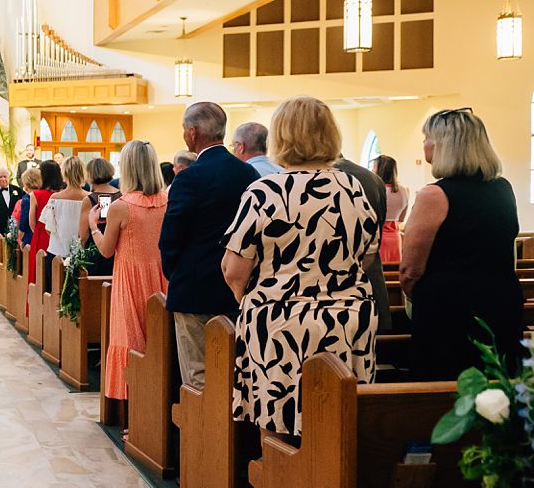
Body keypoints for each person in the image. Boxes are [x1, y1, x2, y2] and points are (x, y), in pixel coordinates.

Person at [222, 96, 379, 436]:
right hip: (347, 323)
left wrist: (253, 299)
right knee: (337, 425)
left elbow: (234, 268)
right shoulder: (352, 189)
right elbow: (367, 253)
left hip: (279, 326)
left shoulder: (264, 192)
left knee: (280, 427)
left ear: (281, 136)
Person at [401, 109, 523, 380]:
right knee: (497, 391)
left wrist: (419, 299)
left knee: (443, 394)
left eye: (427, 137)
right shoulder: (503, 188)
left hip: (448, 311)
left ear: (445, 145)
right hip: (500, 303)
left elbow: (410, 270)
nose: (424, 143)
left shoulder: (434, 194)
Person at [158, 102, 258, 388]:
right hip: (237, 287)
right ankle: (229, 430)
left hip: (194, 288)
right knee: (231, 371)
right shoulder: (247, 174)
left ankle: (202, 432)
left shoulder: (189, 177)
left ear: (193, 132)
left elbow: (171, 235)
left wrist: (174, 271)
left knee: (198, 374)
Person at [88, 140, 168, 400]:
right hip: (162, 280)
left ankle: (134, 411)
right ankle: (155, 406)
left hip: (131, 284)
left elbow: (106, 250)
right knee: (159, 344)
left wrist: (93, 226)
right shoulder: (168, 200)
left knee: (132, 342)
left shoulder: (122, 206)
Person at [334, 154, 392, 332]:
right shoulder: (372, 178)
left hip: (336, 292)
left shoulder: (325, 177)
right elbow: (377, 229)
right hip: (371, 281)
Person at [45, 157, 87, 274]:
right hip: (81, 254)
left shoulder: (55, 198)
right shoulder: (90, 198)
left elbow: (48, 228)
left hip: (57, 252)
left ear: (64, 173)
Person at [81, 157, 121, 276]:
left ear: (90, 175)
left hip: (95, 250)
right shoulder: (121, 195)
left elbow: (83, 235)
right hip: (116, 249)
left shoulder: (89, 199)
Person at [30, 161, 61, 293]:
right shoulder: (63, 193)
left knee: (38, 274)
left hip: (41, 235)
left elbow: (32, 222)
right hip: (58, 236)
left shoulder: (35, 195)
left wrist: (38, 233)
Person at [373, 155, 408, 263]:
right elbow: (401, 219)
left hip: (379, 238)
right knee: (393, 273)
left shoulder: (375, 190)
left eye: (374, 167)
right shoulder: (403, 190)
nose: (371, 170)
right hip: (395, 238)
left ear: (380, 170)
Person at [13, 166, 42, 247]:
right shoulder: (43, 194)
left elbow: (24, 219)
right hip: (42, 233)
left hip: (29, 234)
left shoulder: (27, 198)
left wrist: (20, 237)